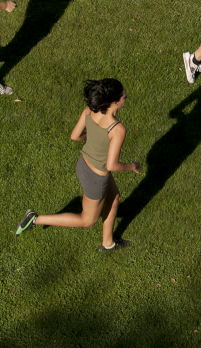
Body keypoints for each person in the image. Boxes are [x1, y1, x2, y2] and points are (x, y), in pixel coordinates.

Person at [14, 79, 141, 251]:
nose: (126, 98)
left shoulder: (90, 111)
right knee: (87, 220)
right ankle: (35, 219)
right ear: (115, 102)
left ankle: (108, 243)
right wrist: (133, 166)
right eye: (124, 97)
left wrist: (93, 137)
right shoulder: (117, 129)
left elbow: (75, 136)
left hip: (83, 165)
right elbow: (112, 165)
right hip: (96, 178)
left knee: (114, 197)